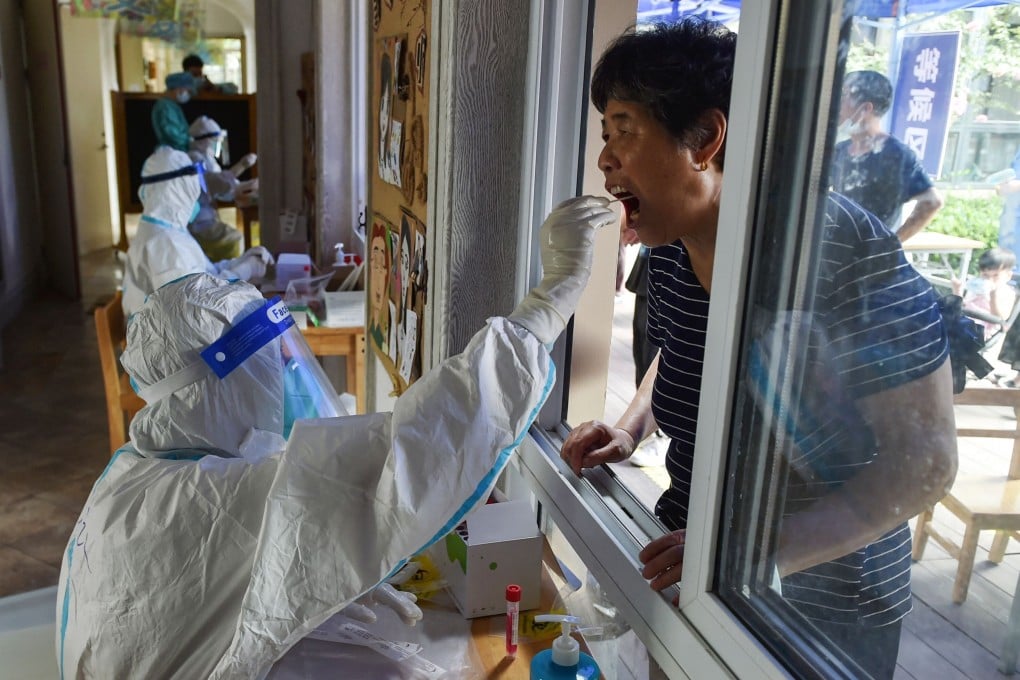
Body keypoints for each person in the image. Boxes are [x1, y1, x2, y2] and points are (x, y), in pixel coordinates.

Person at [57, 196, 614, 678]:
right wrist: (550, 299)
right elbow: (404, 457)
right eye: (268, 365)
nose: (285, 374)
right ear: (215, 387)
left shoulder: (144, 465)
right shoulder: (218, 501)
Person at [560, 20, 956, 679]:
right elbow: (690, 350)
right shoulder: (671, 250)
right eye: (606, 135)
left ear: (706, 139)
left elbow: (927, 461)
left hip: (820, 607)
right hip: (694, 563)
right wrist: (630, 428)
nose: (606, 159)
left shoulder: (833, 248)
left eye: (624, 130)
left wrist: (745, 555)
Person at [122, 145, 275, 317]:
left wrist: (240, 261)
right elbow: (199, 304)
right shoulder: (164, 244)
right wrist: (245, 270)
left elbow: (204, 274)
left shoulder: (168, 231)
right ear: (176, 190)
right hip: (168, 339)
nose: (196, 198)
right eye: (192, 189)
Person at [830, 70, 944, 241]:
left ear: (866, 108)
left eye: (844, 96)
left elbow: (932, 202)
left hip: (868, 260)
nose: (837, 103)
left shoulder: (896, 155)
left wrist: (891, 244)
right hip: (834, 252)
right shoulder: (839, 151)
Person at [187, 115, 258, 260]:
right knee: (235, 240)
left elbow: (224, 190)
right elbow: (214, 183)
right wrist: (241, 166)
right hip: (198, 221)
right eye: (215, 141)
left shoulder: (208, 159)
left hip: (207, 216)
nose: (217, 145)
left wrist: (245, 186)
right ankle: (229, 279)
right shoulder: (194, 159)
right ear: (205, 140)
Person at [954, 247, 1016, 338]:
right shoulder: (978, 287)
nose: (989, 279)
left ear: (1008, 276)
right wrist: (957, 290)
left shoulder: (1007, 293)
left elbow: (1001, 317)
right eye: (985, 275)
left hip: (984, 329)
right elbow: (962, 306)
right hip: (965, 320)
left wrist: (993, 296)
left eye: (996, 276)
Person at [152, 71, 195, 152]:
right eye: (188, 91)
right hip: (171, 153)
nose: (188, 95)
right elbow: (173, 135)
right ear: (178, 89)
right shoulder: (165, 107)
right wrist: (191, 141)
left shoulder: (172, 106)